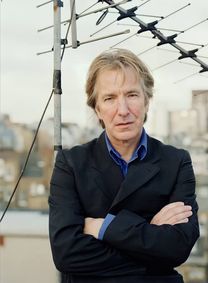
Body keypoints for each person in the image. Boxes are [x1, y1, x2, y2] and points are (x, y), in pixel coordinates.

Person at [49, 48, 199, 283]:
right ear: (97, 108)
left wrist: (103, 227)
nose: (123, 110)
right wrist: (150, 235)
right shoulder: (71, 165)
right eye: (110, 98)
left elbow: (177, 248)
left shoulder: (176, 161)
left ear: (147, 101)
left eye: (132, 95)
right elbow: (67, 254)